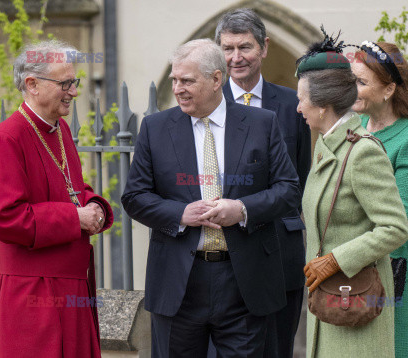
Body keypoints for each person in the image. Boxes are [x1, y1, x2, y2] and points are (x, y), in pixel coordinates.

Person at [121, 38, 301, 357]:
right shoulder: (155, 128)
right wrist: (179, 214)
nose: (178, 89)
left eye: (187, 80)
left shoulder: (261, 124)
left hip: (245, 281)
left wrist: (242, 209)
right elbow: (134, 197)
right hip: (179, 283)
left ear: (216, 79)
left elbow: (288, 190)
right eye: (175, 80)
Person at [0, 40, 114, 358]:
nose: (74, 91)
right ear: (32, 84)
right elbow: (2, 217)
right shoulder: (7, 138)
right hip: (33, 295)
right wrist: (74, 218)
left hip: (72, 286)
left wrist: (94, 205)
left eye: (74, 81)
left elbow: (68, 188)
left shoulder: (61, 130)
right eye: (65, 83)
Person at [296, 31, 408, 357]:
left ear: (323, 105)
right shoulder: (327, 147)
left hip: (356, 304)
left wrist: (335, 260)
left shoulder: (362, 153)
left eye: (302, 98)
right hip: (330, 306)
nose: (298, 107)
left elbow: (395, 227)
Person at [215, 9, 311, 357]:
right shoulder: (209, 104)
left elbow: (299, 176)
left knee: (277, 348)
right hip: (223, 252)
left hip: (278, 250)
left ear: (264, 48)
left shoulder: (292, 105)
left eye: (245, 47)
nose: (235, 58)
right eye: (227, 49)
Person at [352, 41, 408, 358]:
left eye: (361, 82)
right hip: (359, 259)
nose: (352, 89)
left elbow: (402, 212)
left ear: (388, 90)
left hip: (398, 264)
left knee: (401, 348)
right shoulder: (355, 128)